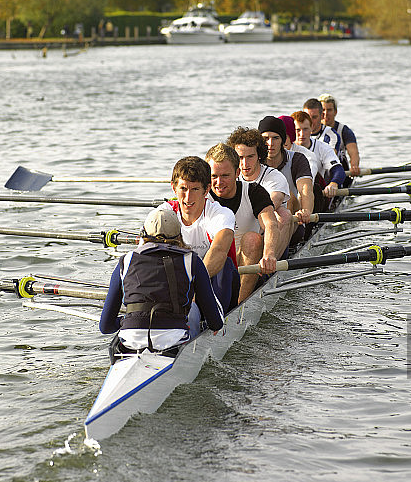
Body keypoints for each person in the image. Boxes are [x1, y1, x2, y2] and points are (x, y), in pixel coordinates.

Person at [99, 209, 224, 354]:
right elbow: (215, 322)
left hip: (130, 341)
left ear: (143, 235)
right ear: (179, 235)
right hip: (173, 343)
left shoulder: (125, 261)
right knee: (194, 309)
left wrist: (128, 319)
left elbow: (105, 327)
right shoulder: (192, 260)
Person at [156, 156, 238, 322]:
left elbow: (219, 250)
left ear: (206, 190)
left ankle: (212, 320)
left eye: (194, 189)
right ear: (173, 187)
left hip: (213, 288)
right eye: (183, 189)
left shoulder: (220, 214)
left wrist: (191, 287)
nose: (187, 198)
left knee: (226, 266)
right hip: (178, 290)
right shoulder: (163, 214)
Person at [206, 143, 279, 301]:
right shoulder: (201, 196)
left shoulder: (254, 192)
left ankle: (238, 305)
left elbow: (270, 224)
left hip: (246, 264)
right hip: (213, 261)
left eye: (225, 175)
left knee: (252, 239)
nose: (219, 182)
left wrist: (269, 254)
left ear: (237, 173)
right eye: (214, 176)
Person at [227, 126, 294, 259]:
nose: (245, 163)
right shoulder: (226, 177)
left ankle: (268, 264)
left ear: (259, 155)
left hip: (265, 235)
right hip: (239, 235)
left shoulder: (275, 177)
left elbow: (272, 203)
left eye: (250, 156)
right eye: (240, 157)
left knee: (284, 215)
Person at [257, 116, 314, 225]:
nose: (270, 143)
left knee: (289, 197)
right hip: (263, 218)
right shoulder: (252, 161)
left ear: (283, 140)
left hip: (292, 219)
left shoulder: (297, 159)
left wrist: (306, 211)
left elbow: (305, 188)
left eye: (275, 138)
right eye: (265, 139)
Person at [291, 110, 346, 202]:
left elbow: (338, 169)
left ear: (311, 127)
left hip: (317, 195)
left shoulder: (323, 147)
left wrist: (334, 183)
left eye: (305, 129)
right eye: (298, 130)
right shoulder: (286, 148)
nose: (302, 134)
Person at [318, 93, 361, 179]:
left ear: (335, 112)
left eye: (329, 110)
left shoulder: (344, 131)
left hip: (340, 173)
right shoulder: (310, 130)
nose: (325, 114)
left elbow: (354, 153)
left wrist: (354, 166)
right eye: (323, 110)